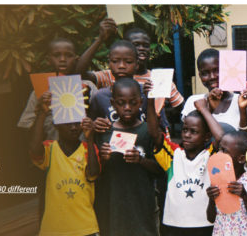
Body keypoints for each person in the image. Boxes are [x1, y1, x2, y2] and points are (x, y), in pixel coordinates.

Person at [94, 78, 162, 236]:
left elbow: (160, 170)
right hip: (113, 206)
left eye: (133, 102)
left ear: (140, 102)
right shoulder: (104, 131)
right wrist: (102, 159)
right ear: (113, 103)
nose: (127, 108)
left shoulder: (148, 131)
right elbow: (93, 173)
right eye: (121, 103)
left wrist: (141, 160)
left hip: (143, 205)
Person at [29, 92, 100, 236]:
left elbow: (93, 173)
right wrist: (42, 113)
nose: (73, 128)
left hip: (86, 227)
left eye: (76, 123)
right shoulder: (50, 149)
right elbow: (34, 150)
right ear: (56, 125)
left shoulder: (88, 149)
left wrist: (90, 137)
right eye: (68, 124)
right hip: (54, 228)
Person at [152, 97, 222, 236]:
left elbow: (221, 138)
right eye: (185, 130)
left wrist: (204, 110)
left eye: (193, 132)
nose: (187, 135)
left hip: (204, 225)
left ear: (207, 136)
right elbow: (155, 135)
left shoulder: (210, 156)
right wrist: (150, 102)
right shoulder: (174, 155)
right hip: (173, 225)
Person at [77, 27, 184, 112]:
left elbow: (181, 109)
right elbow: (79, 73)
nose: (141, 48)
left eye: (145, 45)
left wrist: (163, 109)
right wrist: (100, 39)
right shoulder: (112, 74)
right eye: (136, 44)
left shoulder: (160, 79)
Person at [17, 37, 98, 139]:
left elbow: (102, 119)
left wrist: (87, 108)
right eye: (57, 55)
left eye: (68, 55)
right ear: (48, 60)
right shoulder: (40, 90)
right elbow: (26, 127)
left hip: (84, 150)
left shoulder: (88, 87)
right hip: (51, 150)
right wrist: (41, 110)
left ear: (76, 60)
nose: (63, 59)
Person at [87, 40, 166, 130]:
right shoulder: (100, 97)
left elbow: (161, 131)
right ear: (109, 63)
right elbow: (89, 129)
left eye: (128, 62)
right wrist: (94, 126)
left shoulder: (148, 92)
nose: (121, 66)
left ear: (137, 64)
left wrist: (157, 120)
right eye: (115, 61)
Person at [181, 48, 247, 131]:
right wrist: (208, 110)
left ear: (226, 70)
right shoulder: (193, 102)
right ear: (199, 76)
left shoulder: (243, 100)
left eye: (217, 70)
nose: (212, 77)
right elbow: (192, 135)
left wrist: (242, 110)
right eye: (205, 73)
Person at [206, 131, 247, 236]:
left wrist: (244, 195)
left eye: (224, 151)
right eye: (219, 149)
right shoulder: (217, 179)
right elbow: (211, 219)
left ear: (241, 158)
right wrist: (211, 199)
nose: (219, 154)